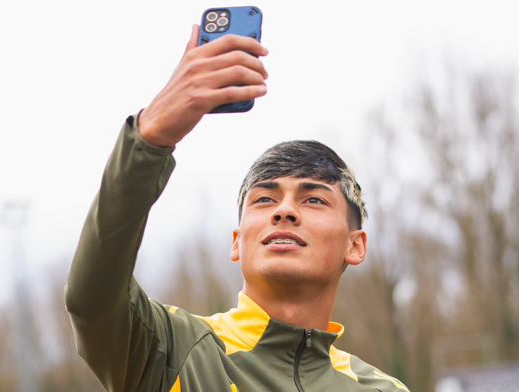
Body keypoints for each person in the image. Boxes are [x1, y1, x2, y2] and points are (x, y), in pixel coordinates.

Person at [65, 24, 409, 392]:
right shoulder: (171, 349)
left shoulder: (382, 388)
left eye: (313, 199)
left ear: (355, 245)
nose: (284, 211)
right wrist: (149, 138)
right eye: (264, 199)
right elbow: (93, 300)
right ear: (237, 242)